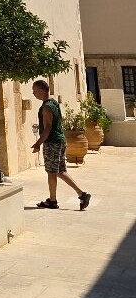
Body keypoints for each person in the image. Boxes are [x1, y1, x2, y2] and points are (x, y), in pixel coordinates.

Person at [31, 79, 92, 210]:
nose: (33, 93)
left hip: (52, 142)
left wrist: (38, 144)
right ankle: (82, 194)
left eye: (35, 90)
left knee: (52, 172)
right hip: (59, 141)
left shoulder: (47, 107)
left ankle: (52, 201)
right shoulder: (53, 103)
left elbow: (48, 128)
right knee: (60, 171)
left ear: (42, 90)